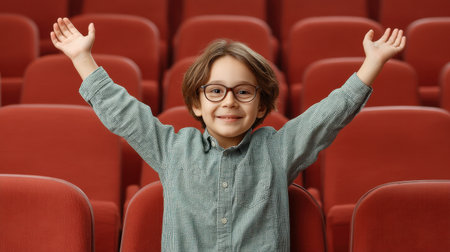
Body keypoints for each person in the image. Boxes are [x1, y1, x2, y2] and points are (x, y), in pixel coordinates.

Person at [51, 17, 405, 251]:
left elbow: (328, 117)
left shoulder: (278, 150)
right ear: (196, 103)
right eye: (216, 91)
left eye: (243, 92)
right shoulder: (174, 150)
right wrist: (83, 58)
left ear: (263, 105)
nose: (229, 102)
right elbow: (124, 114)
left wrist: (371, 64)